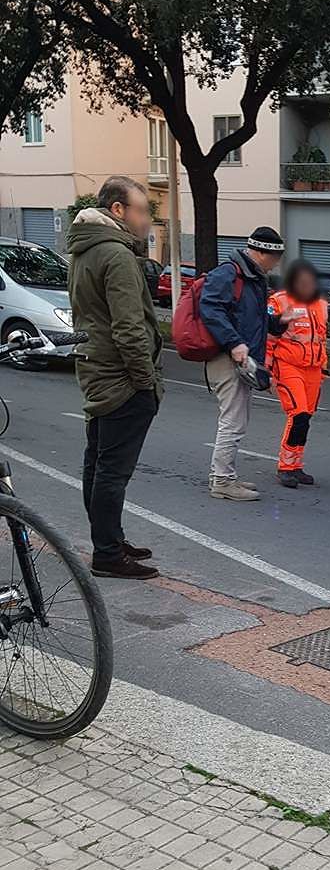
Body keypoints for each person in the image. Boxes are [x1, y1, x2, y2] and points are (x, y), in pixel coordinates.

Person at [67, 176, 162, 579]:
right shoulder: (117, 255)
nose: (146, 219)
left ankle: (109, 540)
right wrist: (146, 382)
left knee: (98, 462)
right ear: (118, 210)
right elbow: (129, 328)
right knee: (111, 471)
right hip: (121, 379)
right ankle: (107, 553)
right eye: (142, 210)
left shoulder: (83, 250)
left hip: (95, 369)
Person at [199, 226, 292, 500]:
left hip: (241, 357)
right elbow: (211, 309)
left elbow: (254, 320)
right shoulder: (229, 274)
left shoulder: (253, 279)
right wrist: (234, 343)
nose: (277, 263)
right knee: (233, 422)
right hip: (228, 358)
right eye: (276, 257)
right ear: (263, 253)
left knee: (235, 421)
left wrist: (278, 324)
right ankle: (222, 482)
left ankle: (224, 475)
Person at [266, 260, 328, 488]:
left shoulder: (321, 305)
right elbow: (269, 339)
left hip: (313, 369)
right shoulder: (279, 301)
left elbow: (321, 339)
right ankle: (285, 467)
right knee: (298, 414)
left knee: (306, 418)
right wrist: (268, 371)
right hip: (288, 366)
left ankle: (296, 466)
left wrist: (323, 369)